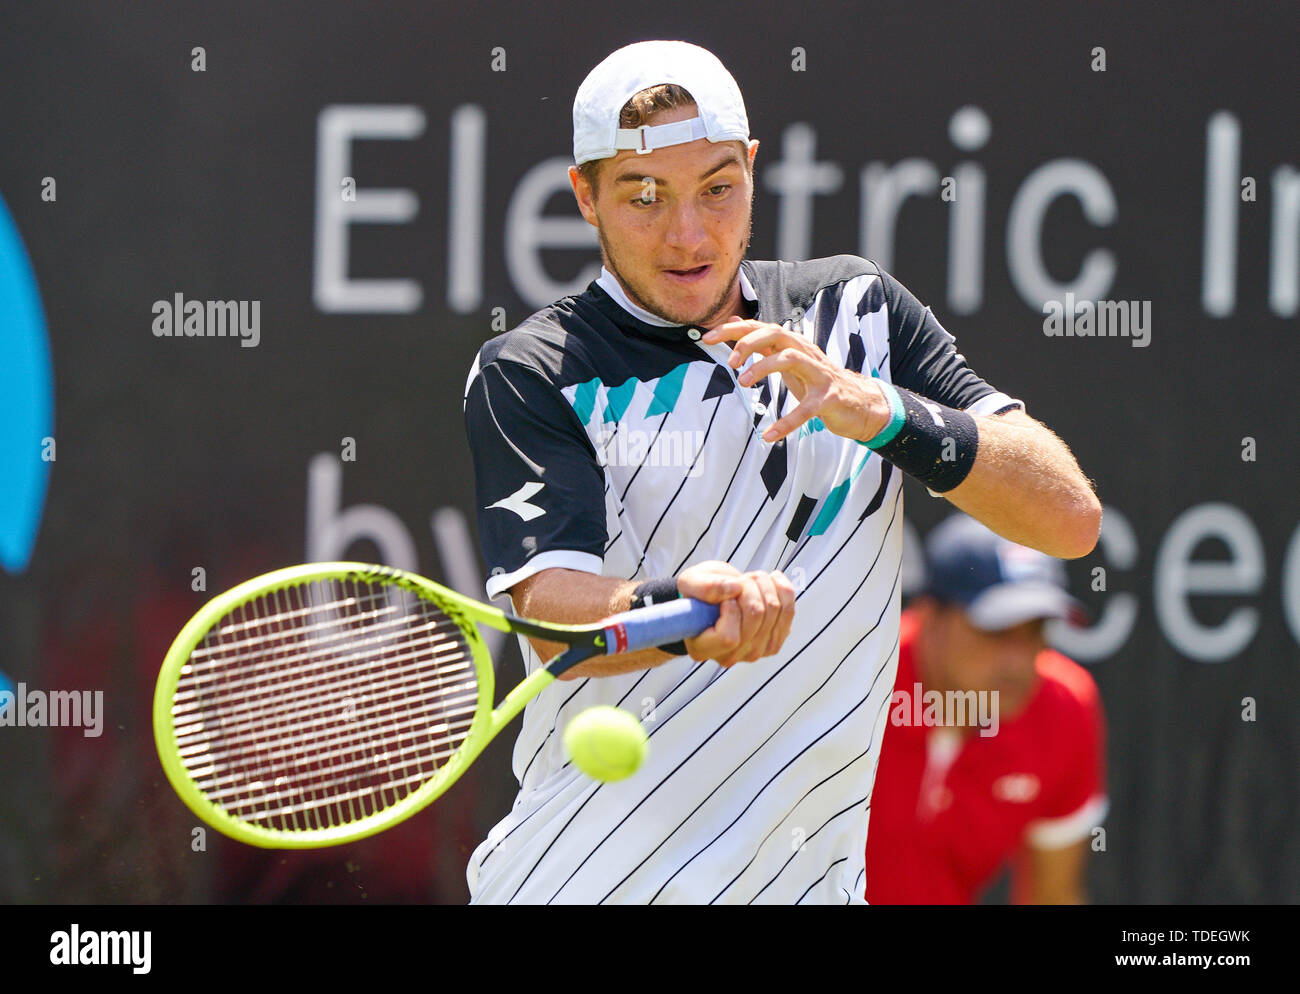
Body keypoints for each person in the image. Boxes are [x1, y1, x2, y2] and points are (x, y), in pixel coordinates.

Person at [460, 39, 1100, 904]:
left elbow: (1066, 517)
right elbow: (553, 624)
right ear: (584, 196)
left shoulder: (859, 314)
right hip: (582, 885)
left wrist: (875, 409)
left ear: (754, 171)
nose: (689, 234)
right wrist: (681, 612)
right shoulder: (534, 369)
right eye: (644, 196)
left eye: (717, 189)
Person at [865, 514, 1108, 904]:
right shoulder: (855, 675)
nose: (1018, 661)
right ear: (929, 617)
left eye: (1036, 630)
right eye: (995, 629)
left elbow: (1052, 897)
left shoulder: (1065, 709)